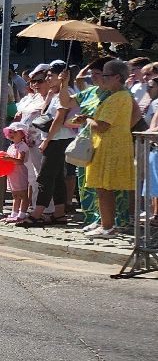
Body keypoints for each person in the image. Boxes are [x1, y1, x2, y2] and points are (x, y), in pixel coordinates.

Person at [72, 58, 137, 237]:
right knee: (102, 188)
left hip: (111, 147)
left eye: (106, 75)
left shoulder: (119, 96)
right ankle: (104, 222)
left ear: (117, 77)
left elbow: (102, 126)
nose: (102, 79)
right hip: (108, 145)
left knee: (104, 188)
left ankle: (108, 226)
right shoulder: (117, 95)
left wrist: (86, 119)